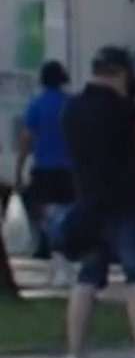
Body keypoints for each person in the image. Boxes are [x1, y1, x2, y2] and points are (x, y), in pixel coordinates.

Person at [57, 46, 135, 358]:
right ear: (121, 72)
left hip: (88, 202)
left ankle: (75, 354)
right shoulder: (123, 109)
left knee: (87, 279)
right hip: (126, 203)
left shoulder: (73, 109)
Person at [15, 61, 75, 286]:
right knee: (67, 213)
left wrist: (19, 169)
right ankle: (64, 260)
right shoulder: (71, 103)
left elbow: (26, 140)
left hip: (44, 167)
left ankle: (56, 258)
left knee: (46, 215)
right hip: (70, 168)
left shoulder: (36, 105)